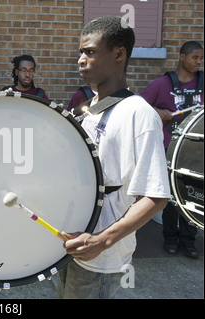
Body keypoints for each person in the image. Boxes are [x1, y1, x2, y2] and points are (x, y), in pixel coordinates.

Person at [56, 16, 170, 299]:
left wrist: (102, 241)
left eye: (90, 52)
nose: (81, 60)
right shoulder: (89, 109)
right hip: (72, 244)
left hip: (100, 257)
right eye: (80, 52)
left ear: (119, 54)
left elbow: (156, 197)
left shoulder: (138, 113)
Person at [139, 41, 203, 258]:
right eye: (195, 57)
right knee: (169, 197)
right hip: (168, 149)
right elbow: (137, 104)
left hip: (196, 152)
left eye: (201, 58)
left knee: (191, 194)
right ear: (182, 57)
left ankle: (188, 241)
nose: (199, 62)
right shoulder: (162, 84)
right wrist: (157, 110)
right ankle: (170, 238)